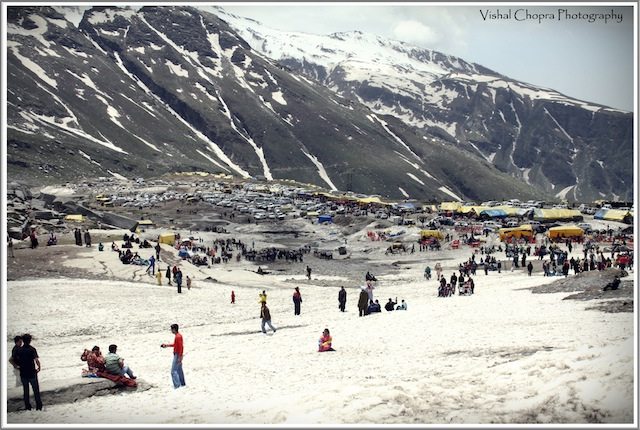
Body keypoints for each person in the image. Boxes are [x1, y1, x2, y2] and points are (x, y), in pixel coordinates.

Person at [13, 333, 42, 411]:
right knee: (36, 391)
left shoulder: (19, 350)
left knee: (26, 391)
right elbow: (36, 360)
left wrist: (17, 366)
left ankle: (28, 407)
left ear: (23, 340)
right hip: (32, 373)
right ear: (29, 341)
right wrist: (39, 367)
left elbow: (14, 359)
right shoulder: (32, 349)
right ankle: (39, 407)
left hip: (23, 373)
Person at [161, 324, 185, 389]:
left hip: (177, 355)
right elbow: (176, 345)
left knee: (173, 371)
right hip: (178, 354)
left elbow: (181, 347)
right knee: (179, 370)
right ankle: (182, 384)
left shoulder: (178, 337)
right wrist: (166, 345)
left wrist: (180, 356)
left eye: (171, 329)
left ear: (174, 329)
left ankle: (177, 385)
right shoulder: (178, 336)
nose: (171, 330)